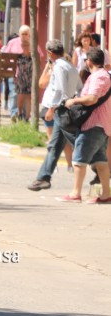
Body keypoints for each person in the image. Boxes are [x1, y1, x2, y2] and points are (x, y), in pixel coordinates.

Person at [56, 47, 111, 203]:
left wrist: (74, 100)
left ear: (89, 61)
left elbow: (92, 98)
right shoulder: (103, 76)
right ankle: (106, 194)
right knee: (100, 161)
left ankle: (75, 193)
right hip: (102, 124)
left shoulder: (99, 77)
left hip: (93, 124)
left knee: (79, 160)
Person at [28, 39, 81, 190]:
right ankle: (43, 178)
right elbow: (79, 88)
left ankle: (101, 170)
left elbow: (59, 90)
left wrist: (52, 109)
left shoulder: (58, 67)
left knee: (81, 144)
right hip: (68, 108)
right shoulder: (70, 66)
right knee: (55, 145)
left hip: (62, 110)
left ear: (50, 53)